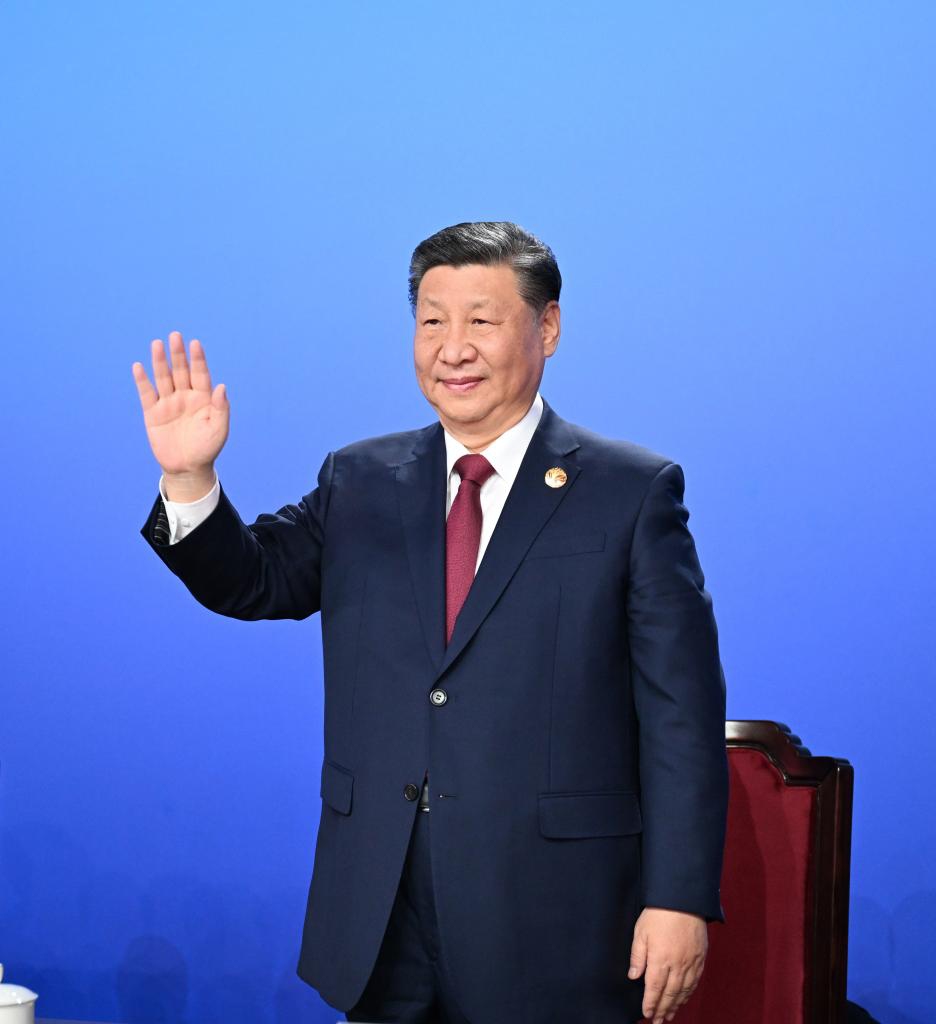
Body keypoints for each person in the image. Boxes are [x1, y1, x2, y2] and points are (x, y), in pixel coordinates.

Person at [133, 221, 729, 1024]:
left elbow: (680, 719)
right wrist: (191, 480)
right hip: (383, 911)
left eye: (481, 321)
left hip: (553, 918)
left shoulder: (630, 492)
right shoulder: (362, 480)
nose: (453, 348)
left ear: (547, 327)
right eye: (432, 321)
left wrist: (679, 897)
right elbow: (254, 580)